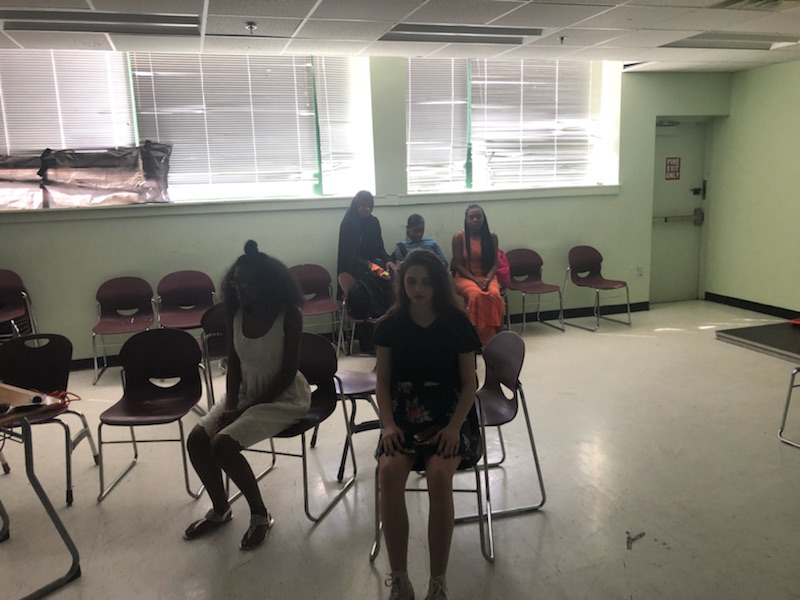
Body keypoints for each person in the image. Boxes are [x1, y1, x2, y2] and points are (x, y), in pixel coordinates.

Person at [183, 240, 311, 551]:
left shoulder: (289, 315)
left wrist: (241, 411)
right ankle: (220, 509)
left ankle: (259, 515)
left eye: (247, 283)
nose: (238, 288)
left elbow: (285, 374)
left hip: (282, 397)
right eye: (236, 281)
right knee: (197, 440)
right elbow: (235, 365)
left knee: (222, 445)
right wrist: (231, 405)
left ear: (267, 285)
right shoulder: (236, 313)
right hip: (244, 392)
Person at [375, 250, 481, 600]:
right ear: (401, 284)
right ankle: (400, 579)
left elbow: (470, 383)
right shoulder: (390, 324)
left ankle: (438, 582)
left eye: (425, 282)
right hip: (404, 412)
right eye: (411, 282)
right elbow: (382, 383)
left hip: (450, 413)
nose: (418, 289)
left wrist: (454, 427)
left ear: (438, 284)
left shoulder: (457, 322)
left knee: (438, 475)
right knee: (388, 473)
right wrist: (388, 425)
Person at [337, 190, 391, 353]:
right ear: (357, 206)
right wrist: (368, 264)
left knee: (391, 279)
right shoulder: (349, 224)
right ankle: (369, 341)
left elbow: (380, 249)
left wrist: (389, 260)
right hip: (355, 267)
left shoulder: (374, 222)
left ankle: (388, 335)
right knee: (369, 288)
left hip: (375, 266)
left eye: (370, 206)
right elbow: (349, 255)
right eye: (363, 206)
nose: (367, 209)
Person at [451, 204, 505, 346]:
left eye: (478, 217)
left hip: (487, 276)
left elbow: (495, 264)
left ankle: (497, 336)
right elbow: (458, 265)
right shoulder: (459, 237)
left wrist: (487, 279)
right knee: (476, 295)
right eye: (471, 217)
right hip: (465, 277)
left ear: (483, 218)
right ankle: (476, 338)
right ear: (466, 219)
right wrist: (475, 280)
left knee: (494, 295)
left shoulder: (492, 237)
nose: (475, 220)